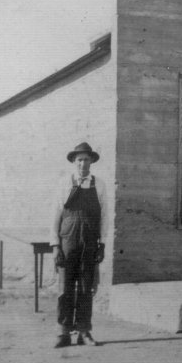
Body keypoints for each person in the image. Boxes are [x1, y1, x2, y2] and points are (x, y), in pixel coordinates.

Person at [50, 142, 107, 348]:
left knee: (86, 288)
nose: (83, 163)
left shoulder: (99, 185)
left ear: (92, 161)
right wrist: (56, 245)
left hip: (90, 241)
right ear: (74, 162)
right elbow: (55, 215)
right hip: (68, 240)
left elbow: (105, 216)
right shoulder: (64, 183)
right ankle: (63, 332)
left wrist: (103, 243)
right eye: (79, 159)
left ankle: (84, 332)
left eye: (86, 159)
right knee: (65, 288)